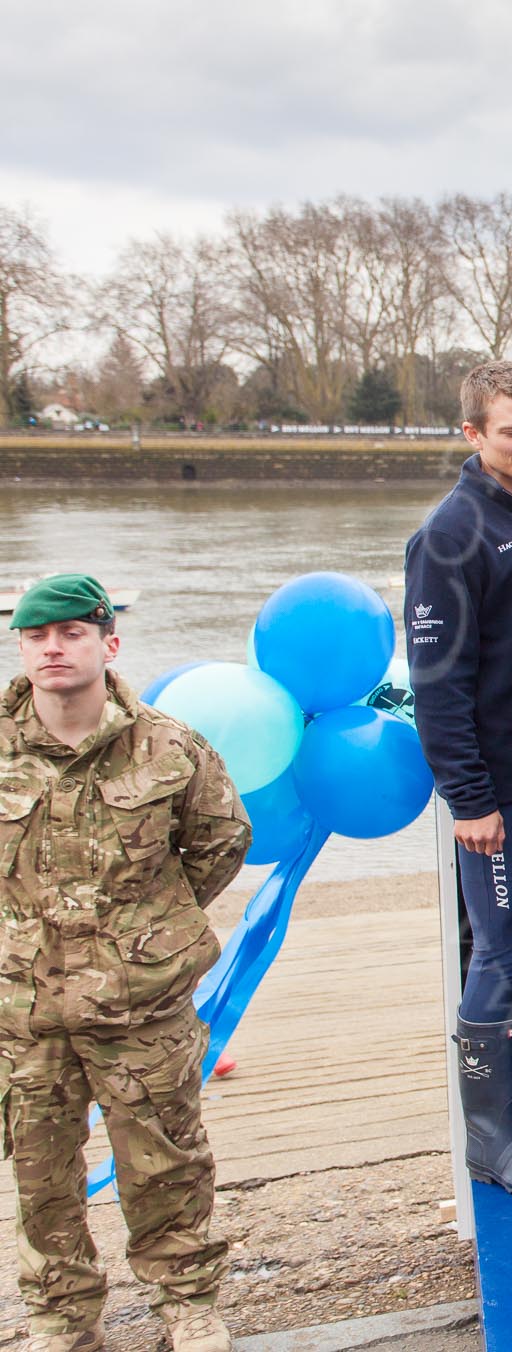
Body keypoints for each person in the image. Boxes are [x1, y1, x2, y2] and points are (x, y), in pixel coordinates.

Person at [2, 575, 251, 1352]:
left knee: (166, 1160)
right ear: (21, 647)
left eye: (72, 633)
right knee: (41, 1175)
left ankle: (186, 1302)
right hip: (25, 1010)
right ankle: (63, 1312)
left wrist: (146, 933)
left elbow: (220, 842)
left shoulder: (168, 745)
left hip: (141, 1005)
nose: (53, 647)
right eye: (38, 635)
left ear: (108, 644)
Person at [405, 360, 512, 1203]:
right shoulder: (449, 536)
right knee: (503, 949)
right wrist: (467, 797)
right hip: (500, 791)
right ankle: (491, 1132)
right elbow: (437, 685)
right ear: (472, 434)